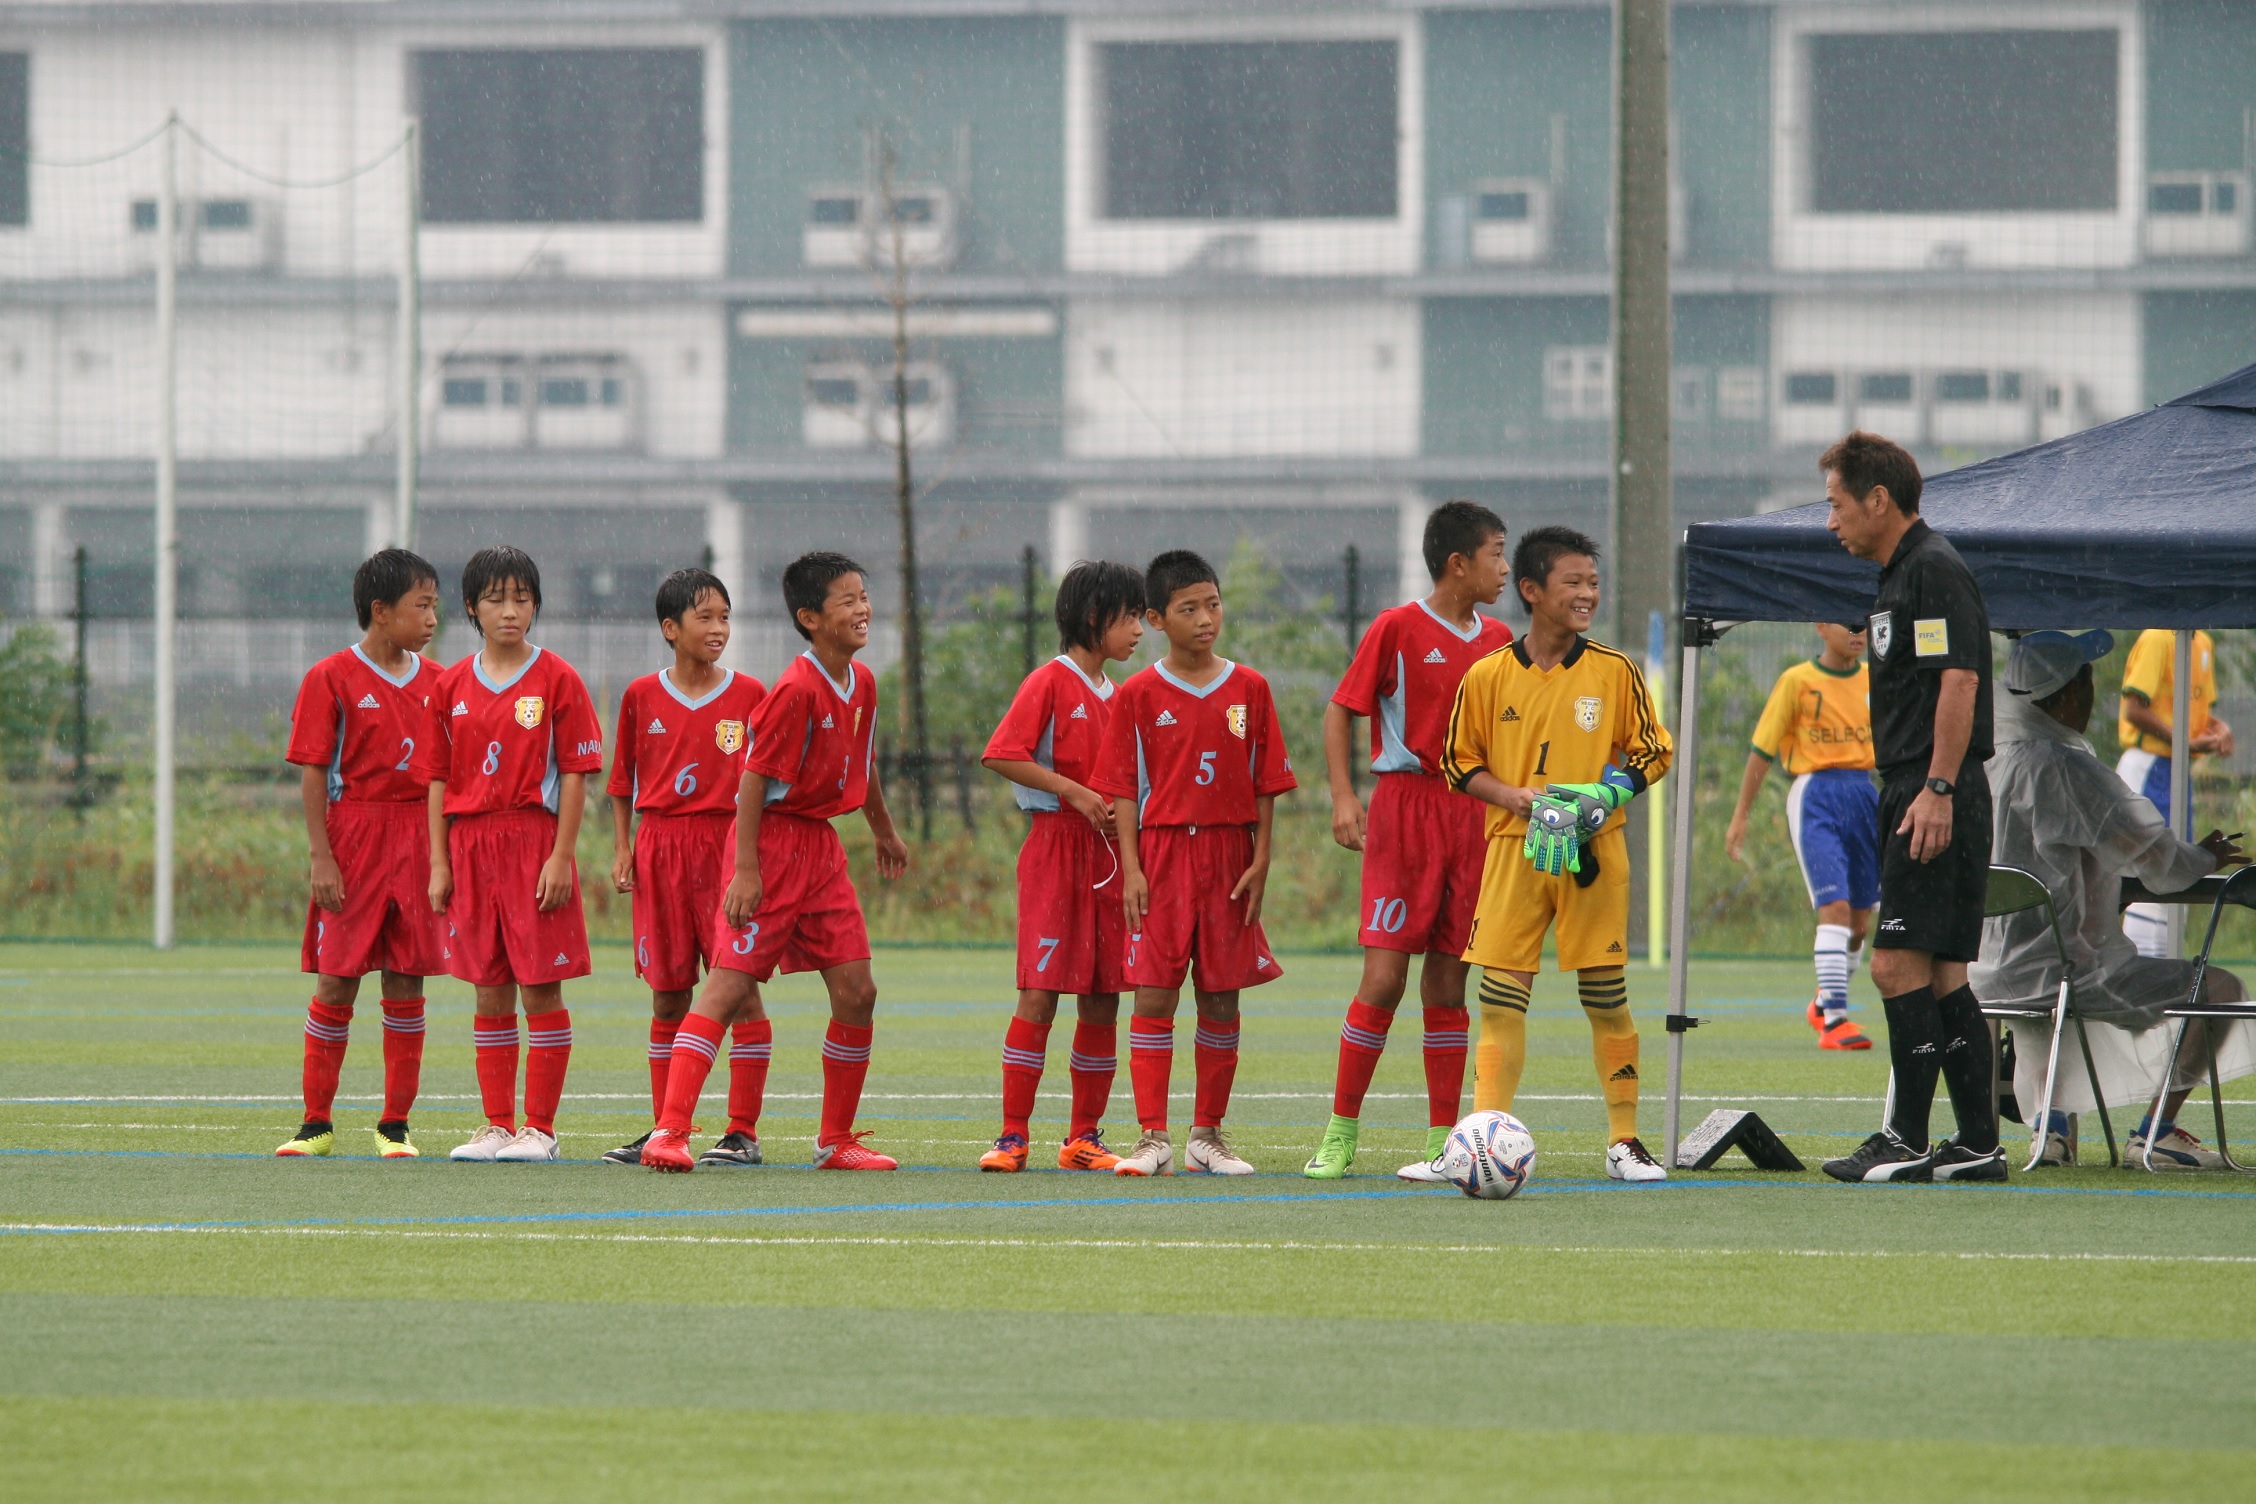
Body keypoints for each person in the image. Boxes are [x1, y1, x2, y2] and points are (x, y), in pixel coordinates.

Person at [640, 552, 910, 1173]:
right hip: (775, 846)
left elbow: (862, 764)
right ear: (810, 618)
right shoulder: (794, 688)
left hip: (821, 850)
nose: (863, 609)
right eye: (847, 601)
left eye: (863, 596)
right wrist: (747, 869)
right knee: (729, 986)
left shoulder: (862, 683)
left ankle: (836, 1141)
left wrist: (885, 833)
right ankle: (670, 1131)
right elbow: (753, 781)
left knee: (858, 990)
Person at [1441, 525, 1674, 1182]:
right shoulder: (1486, 676)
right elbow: (1458, 765)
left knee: (1604, 996)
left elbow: (1652, 752)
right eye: (1573, 582)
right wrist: (1513, 798)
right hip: (1516, 852)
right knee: (1500, 998)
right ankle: (1483, 1136)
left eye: (1593, 583)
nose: (1587, 595)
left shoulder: (1614, 670)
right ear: (1532, 590)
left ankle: (1624, 1141)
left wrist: (1603, 793)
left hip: (1590, 851)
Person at [1974, 631, 2250, 1170]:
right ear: (2065, 695)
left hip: (1984, 972)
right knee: (2220, 988)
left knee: (2051, 1000)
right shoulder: (2065, 768)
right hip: (2064, 972)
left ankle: (2052, 1130)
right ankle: (2157, 1133)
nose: (2093, 693)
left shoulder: (1984, 761)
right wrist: (2205, 857)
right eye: (2087, 681)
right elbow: (2159, 862)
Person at [1305, 499, 1514, 1183]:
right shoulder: (1396, 628)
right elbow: (1343, 710)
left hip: (1474, 816)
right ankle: (1340, 1131)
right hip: (1405, 812)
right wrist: (1344, 796)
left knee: (1449, 984)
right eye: (1496, 554)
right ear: (1459, 564)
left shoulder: (1501, 640)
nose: (1506, 569)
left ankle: (1440, 1143)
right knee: (1385, 977)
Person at [1818, 431, 2006, 1184]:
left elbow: (1960, 682)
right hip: (1917, 786)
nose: (1830, 521)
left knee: (1895, 966)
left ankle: (1905, 1138)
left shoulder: (1932, 569)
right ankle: (1978, 1145)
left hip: (1933, 790)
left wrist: (1936, 788)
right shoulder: (1901, 576)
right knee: (1940, 974)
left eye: (1836, 505)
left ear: (1878, 500)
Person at [1090, 549, 1298, 1177]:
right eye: (1189, 609)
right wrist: (1131, 866)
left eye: (1213, 604)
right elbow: (1123, 788)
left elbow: (1266, 781)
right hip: (1164, 853)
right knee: (1154, 994)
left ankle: (1208, 1136)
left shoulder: (1250, 688)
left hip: (1230, 854)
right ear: (1156, 618)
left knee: (1221, 997)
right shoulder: (1139, 693)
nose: (1206, 618)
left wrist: (1262, 856)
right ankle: (1153, 1137)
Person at [419, 546, 605, 1163]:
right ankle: (496, 1126)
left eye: (522, 598)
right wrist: (440, 863)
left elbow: (577, 774)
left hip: (533, 841)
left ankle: (541, 1130)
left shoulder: (558, 679)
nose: (510, 610)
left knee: (539, 988)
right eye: (496, 599)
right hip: (472, 845)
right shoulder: (449, 686)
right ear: (471, 607)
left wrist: (561, 855)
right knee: (488, 988)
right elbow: (439, 780)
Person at [976, 559, 1147, 1173]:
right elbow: (1001, 753)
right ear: (1095, 618)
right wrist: (1073, 791)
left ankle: (1083, 1138)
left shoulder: (1126, 695)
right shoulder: (1049, 680)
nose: (1138, 631)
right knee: (1039, 993)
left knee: (1103, 997)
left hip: (1108, 856)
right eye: (1130, 617)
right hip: (1053, 849)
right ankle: (1011, 1136)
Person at [275, 549, 447, 1159]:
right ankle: (315, 1123)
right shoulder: (331, 677)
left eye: (434, 604)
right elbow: (313, 774)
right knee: (337, 977)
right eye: (421, 605)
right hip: (354, 836)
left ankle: (394, 1125)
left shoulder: (438, 681)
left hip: (418, 835)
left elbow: (443, 776)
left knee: (406, 978)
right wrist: (322, 857)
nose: (433, 617)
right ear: (381, 611)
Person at [599, 568, 771, 1169]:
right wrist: (623, 848)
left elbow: (767, 781)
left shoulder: (751, 696)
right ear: (671, 628)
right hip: (661, 848)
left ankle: (742, 1132)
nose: (719, 628)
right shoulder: (640, 696)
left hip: (725, 848)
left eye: (725, 616)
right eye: (705, 617)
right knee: (669, 997)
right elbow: (622, 781)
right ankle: (666, 1129)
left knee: (739, 990)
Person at [1723, 622, 1879, 1051]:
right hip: (1816, 794)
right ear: (1821, 627)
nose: (1857, 631)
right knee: (1835, 907)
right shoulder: (1797, 681)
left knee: (1860, 921)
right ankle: (1834, 1020)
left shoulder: (1875, 679)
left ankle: (1823, 1002)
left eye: (1863, 623)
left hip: (1864, 793)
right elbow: (1762, 750)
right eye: (1846, 623)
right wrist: (1740, 816)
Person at [2116, 628, 2235, 959]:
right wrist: (2186, 741)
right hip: (2150, 764)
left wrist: (2219, 729)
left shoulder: (2203, 642)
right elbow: (2133, 709)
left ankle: (2165, 976)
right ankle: (2145, 977)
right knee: (2150, 865)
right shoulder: (2159, 636)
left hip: (2177, 765)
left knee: (2178, 864)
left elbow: (2196, 714)